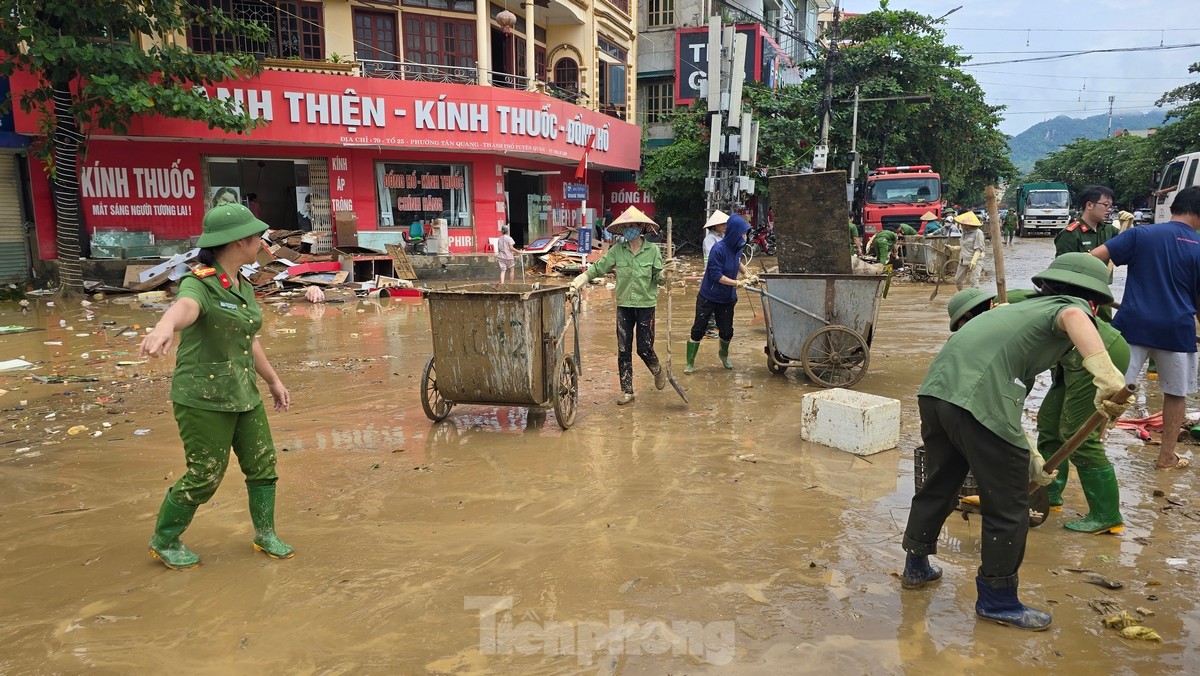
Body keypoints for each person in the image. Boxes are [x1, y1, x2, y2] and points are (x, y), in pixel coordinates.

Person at [902, 253, 1128, 630]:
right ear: (1092, 298)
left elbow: (1002, 396)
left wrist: (1030, 455)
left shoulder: (1010, 312)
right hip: (976, 400)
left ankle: (916, 566)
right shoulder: (1070, 307)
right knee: (1008, 506)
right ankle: (998, 600)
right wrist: (1107, 376)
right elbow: (1073, 319)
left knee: (940, 482)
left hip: (936, 395)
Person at [139, 203, 293, 570]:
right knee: (205, 474)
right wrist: (164, 328)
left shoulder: (242, 285)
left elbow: (248, 338)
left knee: (263, 464)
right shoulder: (200, 282)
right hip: (202, 397)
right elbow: (185, 308)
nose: (262, 242)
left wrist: (272, 380)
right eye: (257, 236)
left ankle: (265, 533)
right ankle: (164, 539)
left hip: (242, 392)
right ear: (240, 241)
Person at [948, 283, 1131, 534]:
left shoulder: (1007, 308)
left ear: (969, 317)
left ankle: (1106, 514)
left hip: (1098, 352)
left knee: (1076, 433)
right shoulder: (999, 313)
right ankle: (1048, 493)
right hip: (1067, 358)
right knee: (1048, 422)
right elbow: (1019, 379)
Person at [1091, 185, 1200, 470]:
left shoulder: (1141, 234)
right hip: (1177, 330)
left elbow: (1091, 259)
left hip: (1132, 324)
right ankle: (1166, 458)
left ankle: (1092, 448)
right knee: (1176, 394)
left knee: (1112, 391)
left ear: (1176, 207)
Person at [569, 207, 666, 406]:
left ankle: (657, 369)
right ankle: (627, 390)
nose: (629, 230)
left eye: (633, 226)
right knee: (623, 349)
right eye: (626, 227)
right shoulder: (617, 251)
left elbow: (659, 278)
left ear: (641, 227)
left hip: (646, 305)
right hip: (624, 306)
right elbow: (599, 267)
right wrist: (582, 278)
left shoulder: (653, 251)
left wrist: (666, 276)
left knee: (644, 348)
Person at [686, 214, 755, 374]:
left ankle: (723, 355)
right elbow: (716, 275)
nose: (745, 237)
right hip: (709, 296)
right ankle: (690, 362)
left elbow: (738, 263)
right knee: (698, 330)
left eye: (746, 233)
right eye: (742, 233)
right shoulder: (718, 249)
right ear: (735, 232)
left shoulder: (737, 247)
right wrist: (737, 283)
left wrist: (748, 275)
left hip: (727, 297)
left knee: (727, 331)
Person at [1055, 185, 1118, 258]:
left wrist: (1128, 223)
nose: (1109, 210)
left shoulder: (1109, 229)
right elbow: (1063, 265)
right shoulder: (1070, 234)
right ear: (1089, 205)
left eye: (1110, 206)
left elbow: (1127, 243)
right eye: (1106, 205)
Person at [953, 211, 986, 291]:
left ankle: (975, 299)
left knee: (974, 282)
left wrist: (973, 261)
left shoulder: (978, 233)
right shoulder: (964, 233)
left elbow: (979, 248)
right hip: (964, 259)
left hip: (976, 260)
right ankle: (962, 295)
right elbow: (964, 246)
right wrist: (954, 248)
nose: (961, 225)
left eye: (963, 224)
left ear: (969, 225)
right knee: (958, 280)